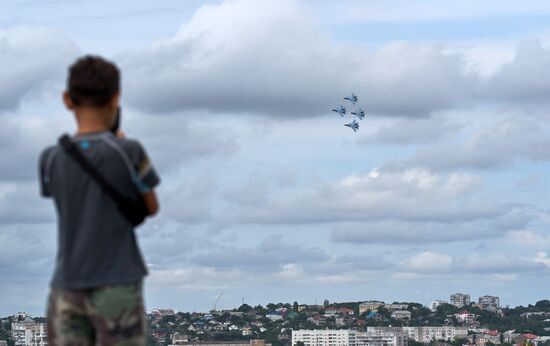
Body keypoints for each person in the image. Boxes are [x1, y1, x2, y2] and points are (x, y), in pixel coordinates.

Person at [38, 55, 160, 345]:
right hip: (117, 282)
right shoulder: (129, 152)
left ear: (67, 99)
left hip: (66, 284)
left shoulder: (50, 158)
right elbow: (151, 207)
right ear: (116, 97)